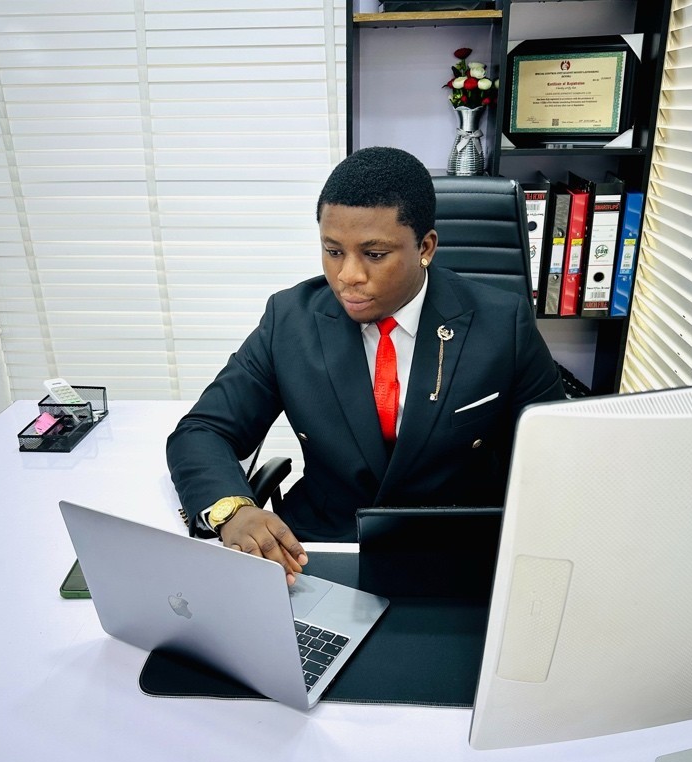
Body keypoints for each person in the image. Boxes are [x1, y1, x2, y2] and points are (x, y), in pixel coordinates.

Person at [167, 147, 565, 584]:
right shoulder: (290, 320)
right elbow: (203, 431)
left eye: (374, 254)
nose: (348, 276)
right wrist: (233, 509)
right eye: (333, 251)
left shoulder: (502, 323)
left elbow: (557, 455)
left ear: (425, 247)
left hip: (456, 554)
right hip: (320, 550)